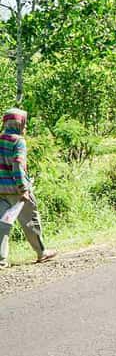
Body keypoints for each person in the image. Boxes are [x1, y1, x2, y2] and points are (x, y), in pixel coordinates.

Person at [0, 108, 56, 268]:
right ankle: (41, 252)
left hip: (1, 191)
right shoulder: (18, 141)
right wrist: (23, 188)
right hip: (17, 191)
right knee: (30, 221)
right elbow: (18, 165)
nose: (26, 127)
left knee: (2, 226)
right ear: (20, 124)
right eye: (25, 123)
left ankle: (1, 260)